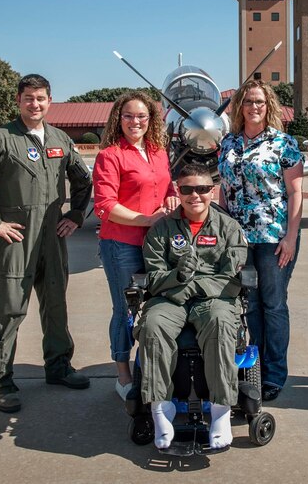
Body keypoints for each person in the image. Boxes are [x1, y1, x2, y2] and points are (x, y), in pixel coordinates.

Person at [0, 74, 92, 413]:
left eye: (41, 98)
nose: (35, 104)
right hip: (16, 236)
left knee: (57, 305)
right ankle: (1, 380)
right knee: (9, 310)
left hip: (52, 236)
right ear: (19, 100)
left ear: (49, 101)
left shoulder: (60, 138)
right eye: (29, 98)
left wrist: (75, 214)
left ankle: (58, 366)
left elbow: (82, 179)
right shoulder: (0, 139)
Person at [135, 163, 248, 450]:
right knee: (152, 324)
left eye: (201, 189)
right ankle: (161, 410)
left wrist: (193, 285)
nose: (194, 195)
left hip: (214, 298)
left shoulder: (229, 228)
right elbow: (154, 278)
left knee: (222, 323)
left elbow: (231, 279)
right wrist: (179, 276)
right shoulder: (162, 229)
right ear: (178, 190)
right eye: (187, 189)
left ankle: (221, 411)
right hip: (169, 299)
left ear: (213, 191)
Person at [217, 79, 303, 402]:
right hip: (239, 240)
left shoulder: (283, 143)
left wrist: (291, 236)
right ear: (240, 107)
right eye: (249, 101)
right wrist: (224, 233)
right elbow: (224, 193)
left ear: (269, 107)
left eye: (260, 102)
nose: (254, 107)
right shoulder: (228, 144)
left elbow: (295, 192)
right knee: (249, 305)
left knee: (274, 305)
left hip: (273, 237)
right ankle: (255, 369)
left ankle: (275, 374)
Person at [93, 91, 178, 400]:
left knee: (158, 308)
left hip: (156, 246)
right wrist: (146, 220)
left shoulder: (158, 151)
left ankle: (155, 367)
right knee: (125, 310)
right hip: (122, 244)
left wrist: (171, 195)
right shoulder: (110, 155)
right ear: (119, 118)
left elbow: (167, 185)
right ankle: (123, 375)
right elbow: (104, 205)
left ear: (151, 120)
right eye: (128, 116)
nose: (135, 122)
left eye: (142, 116)